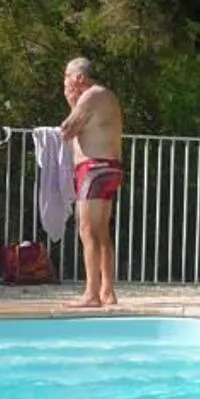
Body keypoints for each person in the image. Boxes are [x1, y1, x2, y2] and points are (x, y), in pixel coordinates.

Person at [59, 56, 124, 310]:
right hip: (109, 167)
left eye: (67, 76)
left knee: (87, 231)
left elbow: (67, 130)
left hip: (94, 168)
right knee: (101, 232)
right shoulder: (105, 95)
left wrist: (70, 101)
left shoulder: (89, 96)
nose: (65, 82)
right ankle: (107, 291)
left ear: (79, 77)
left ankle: (91, 293)